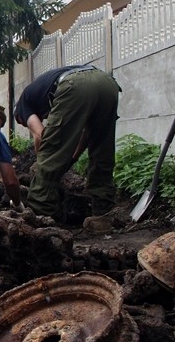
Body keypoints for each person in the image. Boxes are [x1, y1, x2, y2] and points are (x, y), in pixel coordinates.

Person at [14, 64, 121, 224]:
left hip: (75, 85)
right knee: (101, 150)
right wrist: (72, 158)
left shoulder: (23, 107)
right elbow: (86, 134)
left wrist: (42, 160)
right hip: (107, 83)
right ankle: (102, 216)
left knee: (48, 156)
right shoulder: (43, 93)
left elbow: (41, 136)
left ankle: (40, 217)